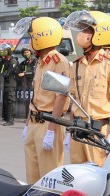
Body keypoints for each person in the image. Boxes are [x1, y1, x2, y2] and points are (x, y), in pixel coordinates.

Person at [63, 11, 110, 165]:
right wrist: (68, 130)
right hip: (77, 129)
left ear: (98, 34)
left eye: (85, 30)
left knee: (97, 177)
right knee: (76, 177)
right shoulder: (77, 64)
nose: (81, 34)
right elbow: (74, 99)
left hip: (97, 130)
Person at [15, 17, 70, 183]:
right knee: (32, 176)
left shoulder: (59, 62)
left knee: (49, 177)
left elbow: (60, 98)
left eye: (32, 37)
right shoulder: (40, 61)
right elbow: (35, 97)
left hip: (48, 123)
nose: (30, 42)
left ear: (42, 38)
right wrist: (27, 123)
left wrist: (52, 130)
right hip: (34, 121)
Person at [0, 43, 17, 125]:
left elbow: (7, 73)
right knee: (4, 102)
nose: (2, 55)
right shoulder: (1, 62)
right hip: (1, 84)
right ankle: (5, 117)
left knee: (10, 101)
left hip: (10, 84)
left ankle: (10, 120)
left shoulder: (13, 61)